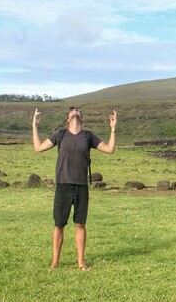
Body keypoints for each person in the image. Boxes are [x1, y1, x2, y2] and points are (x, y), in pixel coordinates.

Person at [32, 106, 117, 272]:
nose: (75, 110)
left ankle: (81, 262)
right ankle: (55, 261)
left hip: (81, 186)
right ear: (68, 119)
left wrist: (113, 130)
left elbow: (110, 149)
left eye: (78, 110)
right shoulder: (60, 134)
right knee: (59, 224)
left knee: (80, 224)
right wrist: (34, 126)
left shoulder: (88, 136)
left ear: (81, 119)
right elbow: (38, 147)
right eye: (72, 110)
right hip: (63, 185)